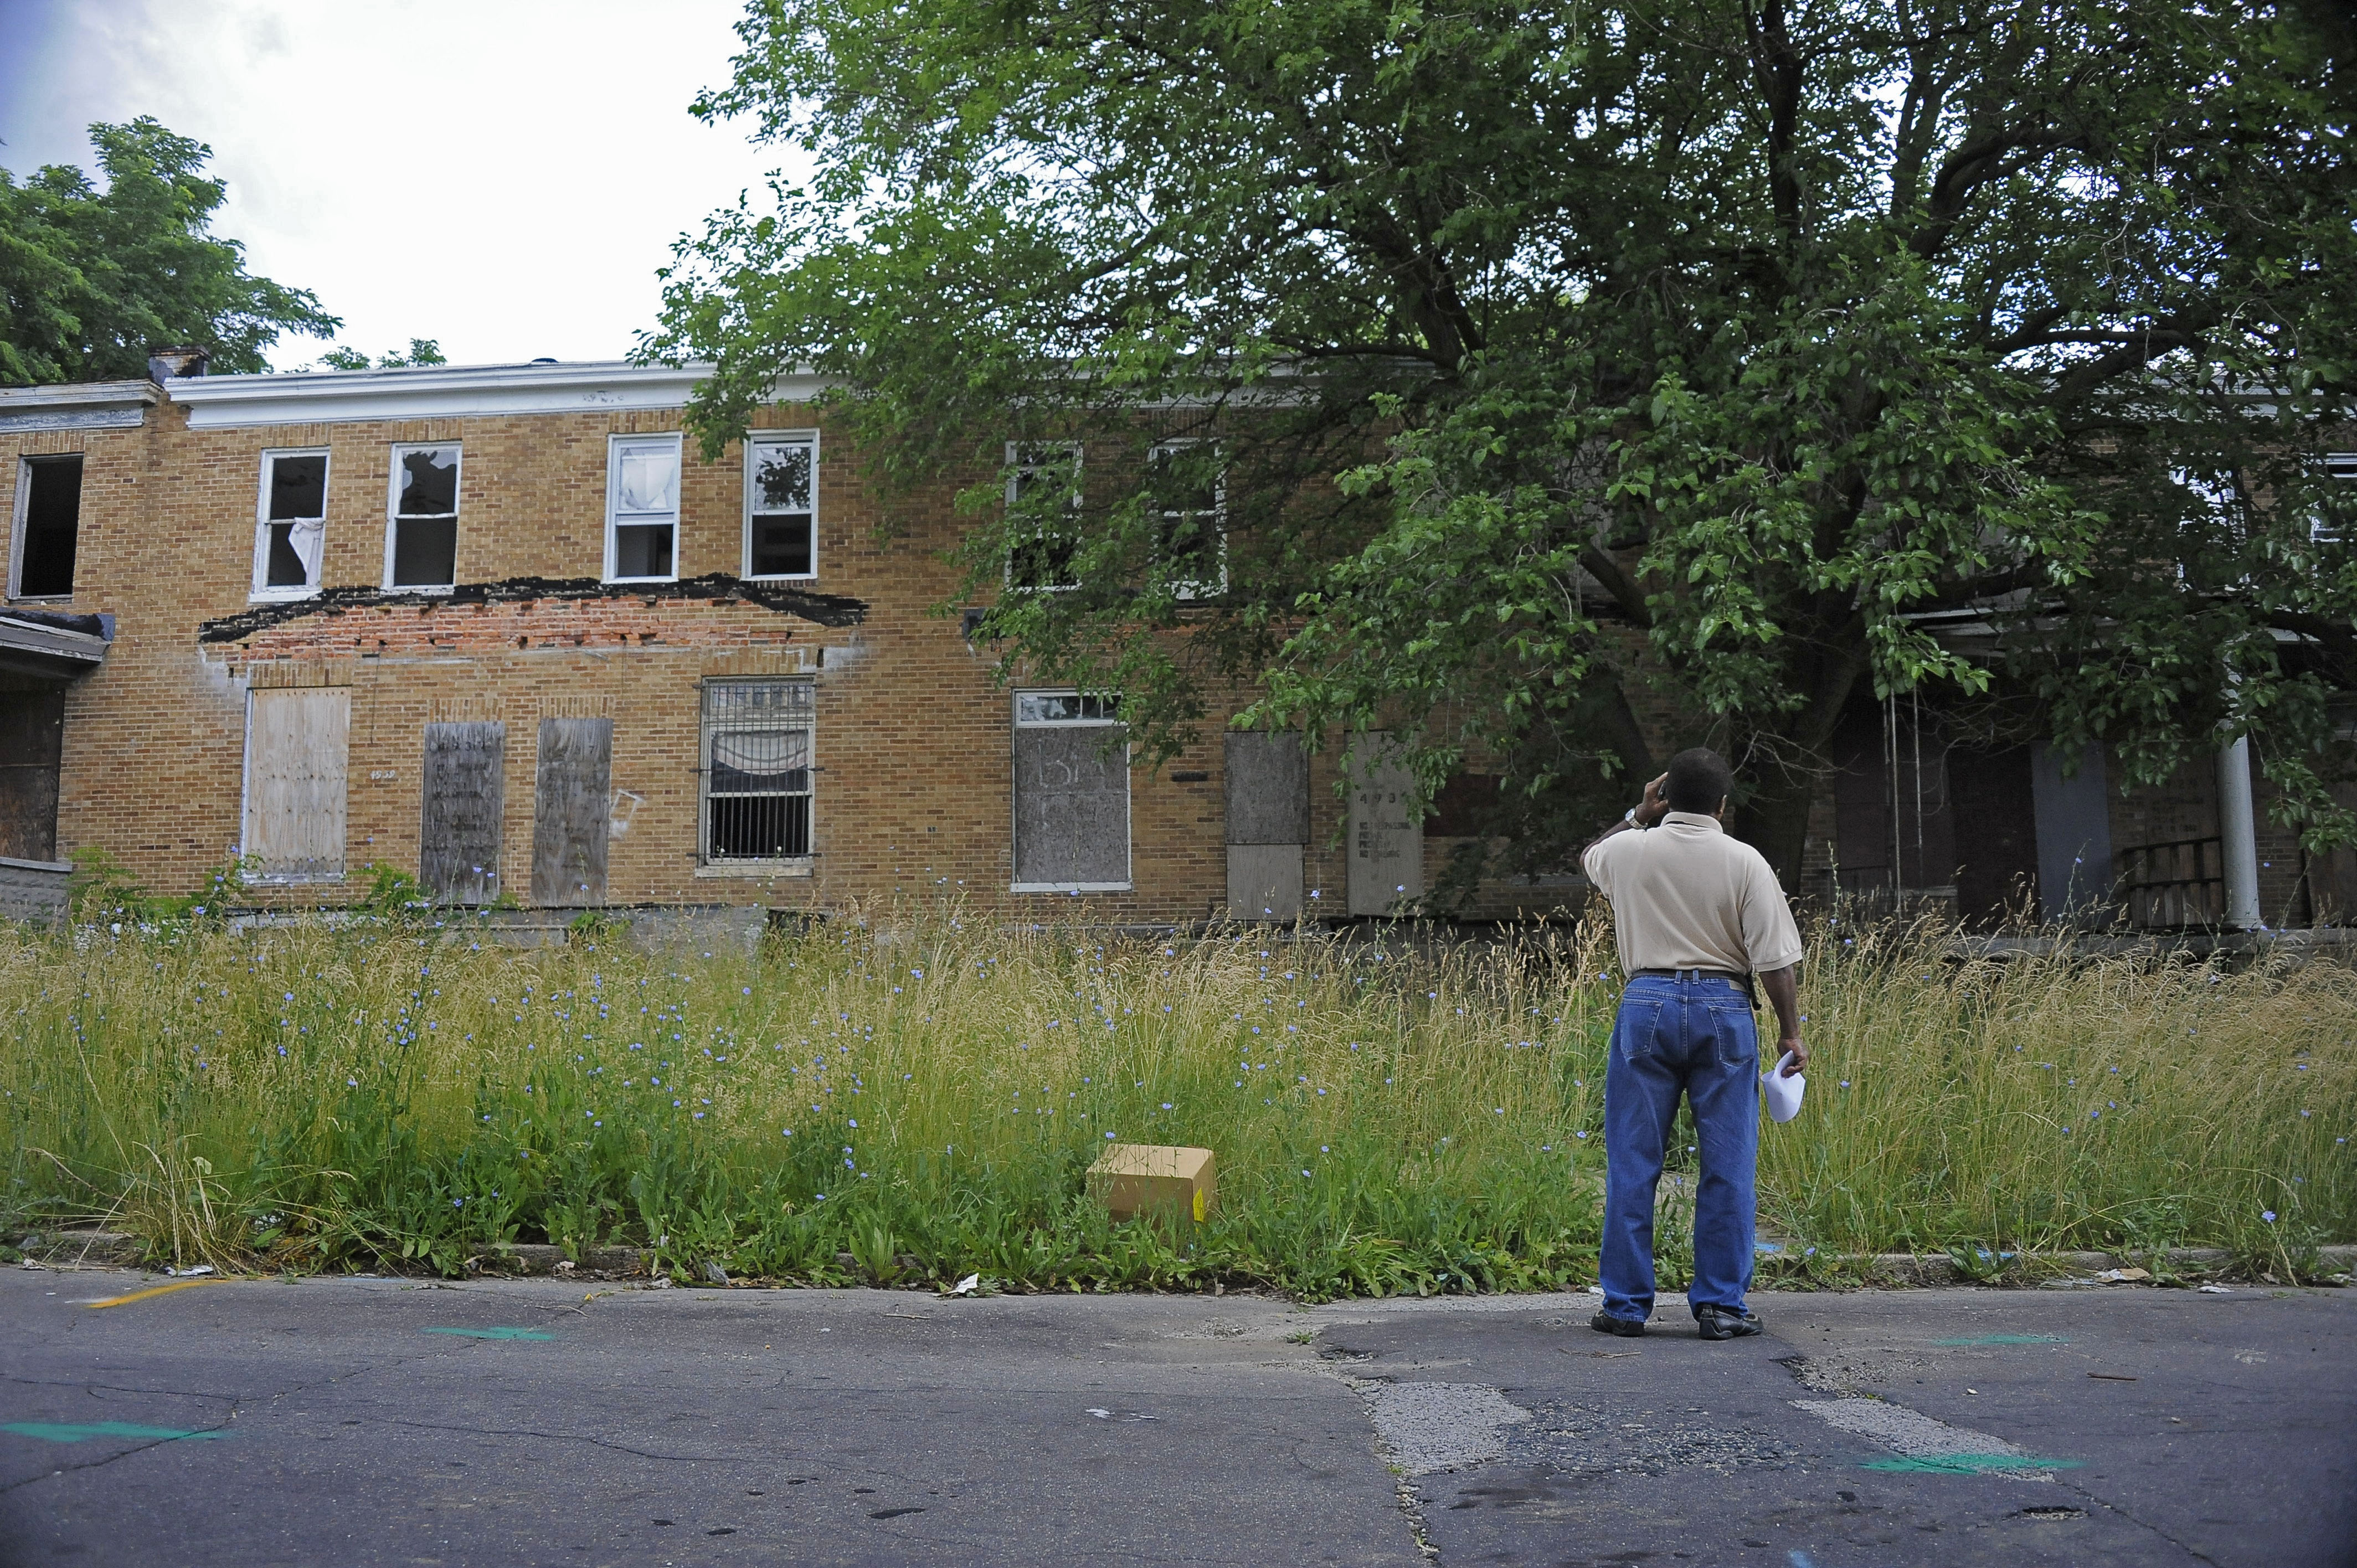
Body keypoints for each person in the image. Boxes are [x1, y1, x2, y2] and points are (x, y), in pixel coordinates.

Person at [1578, 747, 1808, 1340]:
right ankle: (1721, 1306)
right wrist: (1789, 1029)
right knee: (1727, 1163)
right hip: (1723, 1006)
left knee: (1633, 1162)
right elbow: (1775, 961)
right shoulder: (1745, 861)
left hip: (1644, 1003)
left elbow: (1589, 856)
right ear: (1722, 806)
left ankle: (1625, 1306)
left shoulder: (1629, 850)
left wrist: (1636, 813)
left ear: (1665, 797)